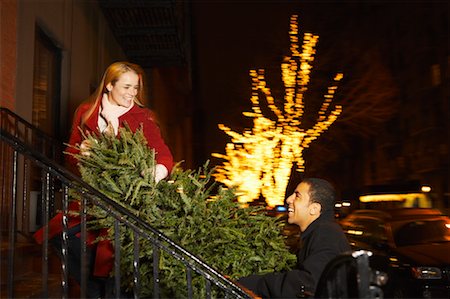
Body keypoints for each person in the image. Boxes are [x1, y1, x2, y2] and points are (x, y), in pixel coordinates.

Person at [34, 61, 174, 298]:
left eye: (136, 88)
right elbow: (71, 153)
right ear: (109, 85)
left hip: (126, 199)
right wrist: (83, 152)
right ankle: (95, 292)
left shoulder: (143, 116)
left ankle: (106, 293)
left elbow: (164, 156)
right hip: (91, 196)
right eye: (127, 87)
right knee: (60, 236)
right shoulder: (87, 111)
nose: (132, 93)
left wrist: (150, 176)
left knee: (112, 258)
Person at [237, 178, 350, 298]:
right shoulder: (318, 232)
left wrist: (256, 283)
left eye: (297, 196)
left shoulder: (326, 233)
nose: (288, 199)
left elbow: (307, 284)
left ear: (314, 209)